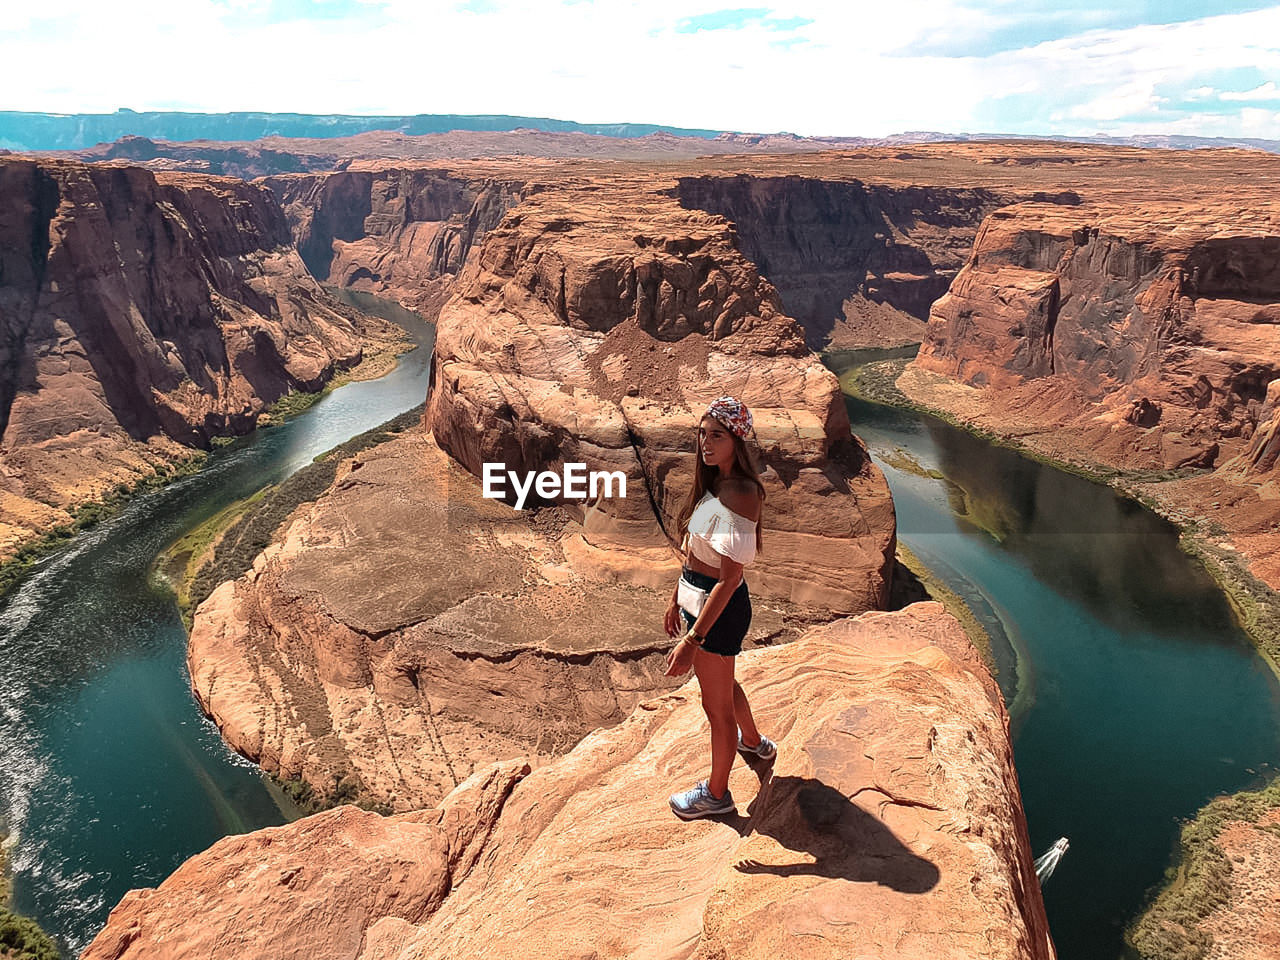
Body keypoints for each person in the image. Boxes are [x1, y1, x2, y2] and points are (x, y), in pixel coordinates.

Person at [664, 395, 777, 820]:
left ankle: (717, 794)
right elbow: (697, 553)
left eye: (717, 435)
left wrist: (693, 640)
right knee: (723, 687)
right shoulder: (714, 483)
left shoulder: (742, 494)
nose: (705, 443)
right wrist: (675, 597)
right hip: (698, 599)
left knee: (716, 709)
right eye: (702, 433)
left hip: (719, 609)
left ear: (737, 440)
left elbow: (729, 579)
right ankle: (754, 742)